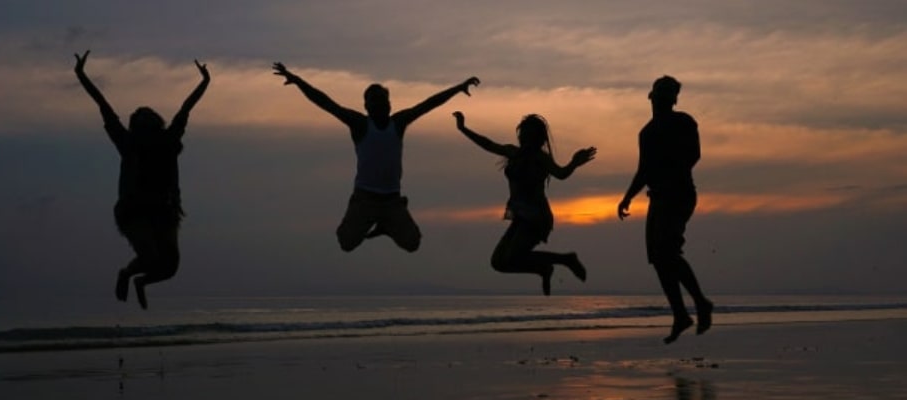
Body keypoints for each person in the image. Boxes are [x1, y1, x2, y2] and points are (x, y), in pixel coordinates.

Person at [272, 62, 480, 253]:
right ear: (367, 106)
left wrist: (458, 88)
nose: (380, 104)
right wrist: (297, 80)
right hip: (364, 199)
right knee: (346, 243)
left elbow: (428, 104)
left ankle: (386, 226)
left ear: (389, 105)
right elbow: (326, 103)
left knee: (412, 244)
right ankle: (371, 218)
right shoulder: (360, 124)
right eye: (375, 101)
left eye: (383, 100)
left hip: (392, 201)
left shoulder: (398, 123)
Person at [74, 50, 210, 309]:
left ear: (156, 122)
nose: (144, 118)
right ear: (135, 125)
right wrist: (81, 75)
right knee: (149, 256)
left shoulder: (169, 140)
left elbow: (186, 108)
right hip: (134, 210)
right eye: (139, 117)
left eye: (148, 116)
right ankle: (126, 274)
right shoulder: (127, 143)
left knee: (170, 267)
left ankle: (141, 282)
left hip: (164, 210)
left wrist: (204, 82)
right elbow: (104, 107)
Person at [452, 111, 595, 295]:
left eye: (529, 134)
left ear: (537, 138)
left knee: (513, 256)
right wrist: (463, 128)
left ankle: (566, 259)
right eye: (523, 134)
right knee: (498, 262)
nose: (524, 138)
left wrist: (574, 163)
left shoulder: (540, 158)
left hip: (537, 217)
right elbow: (488, 144)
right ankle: (542, 269)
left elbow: (561, 174)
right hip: (520, 217)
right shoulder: (513, 152)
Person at [618, 76, 713, 343]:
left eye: (668, 93)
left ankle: (700, 303)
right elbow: (643, 170)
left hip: (679, 194)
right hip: (657, 198)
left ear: (674, 99)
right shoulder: (646, 133)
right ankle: (681, 314)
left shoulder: (684, 121)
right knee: (658, 258)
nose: (662, 96)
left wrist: (671, 171)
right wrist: (627, 198)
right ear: (651, 96)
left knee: (668, 251)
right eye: (659, 91)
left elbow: (694, 155)